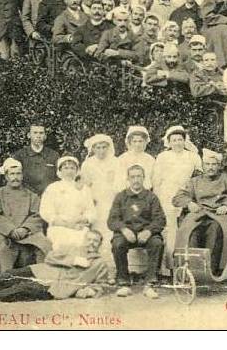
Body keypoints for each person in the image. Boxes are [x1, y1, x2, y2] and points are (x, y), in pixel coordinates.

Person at [0, 230, 108, 301]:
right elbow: (50, 258)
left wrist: (89, 290)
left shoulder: (100, 264)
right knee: (10, 274)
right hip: (43, 271)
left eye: (96, 241)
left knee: (22, 288)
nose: (91, 243)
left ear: (100, 245)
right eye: (89, 239)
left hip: (57, 288)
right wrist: (73, 260)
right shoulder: (72, 249)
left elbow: (101, 285)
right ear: (84, 240)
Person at [172, 149, 227, 276]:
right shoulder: (194, 181)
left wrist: (226, 206)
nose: (210, 168)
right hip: (198, 214)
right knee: (190, 232)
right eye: (207, 164)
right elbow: (178, 197)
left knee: (214, 230)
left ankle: (210, 270)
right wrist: (189, 203)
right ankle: (190, 269)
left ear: (219, 166)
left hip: (218, 216)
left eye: (214, 164)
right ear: (203, 166)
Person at [0, 158, 51, 277]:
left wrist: (25, 229)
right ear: (6, 177)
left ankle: (42, 277)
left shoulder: (32, 196)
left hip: (26, 233)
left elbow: (37, 215)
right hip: (3, 232)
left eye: (18, 174)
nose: (15, 177)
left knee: (44, 243)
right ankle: (0, 278)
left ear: (22, 176)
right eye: (12, 174)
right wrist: (10, 230)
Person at [109, 165, 167, 299]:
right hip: (126, 233)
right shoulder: (121, 196)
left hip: (146, 233)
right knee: (118, 244)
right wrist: (123, 229)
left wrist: (148, 231)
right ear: (128, 179)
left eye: (139, 176)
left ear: (144, 178)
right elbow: (112, 220)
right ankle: (123, 282)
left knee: (157, 243)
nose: (136, 180)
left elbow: (160, 219)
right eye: (133, 177)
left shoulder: (151, 197)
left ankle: (150, 283)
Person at [152, 126, 203, 273]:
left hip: (186, 195)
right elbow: (156, 179)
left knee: (185, 228)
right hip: (166, 195)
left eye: (180, 139)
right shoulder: (162, 157)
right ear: (169, 142)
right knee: (168, 229)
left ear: (184, 140)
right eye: (174, 140)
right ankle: (167, 269)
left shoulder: (192, 156)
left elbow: (199, 175)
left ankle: (184, 267)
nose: (177, 143)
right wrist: (157, 198)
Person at [79, 134, 122, 267]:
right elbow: (85, 185)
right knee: (96, 232)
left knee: (111, 232)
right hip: (95, 203)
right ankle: (96, 265)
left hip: (112, 201)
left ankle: (112, 266)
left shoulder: (116, 162)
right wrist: (90, 200)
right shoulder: (88, 164)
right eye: (98, 147)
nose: (101, 150)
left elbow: (120, 183)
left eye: (104, 147)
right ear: (93, 148)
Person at [40, 156, 97, 253]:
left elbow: (91, 211)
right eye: (66, 168)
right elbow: (45, 211)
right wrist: (65, 224)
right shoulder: (53, 188)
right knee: (61, 247)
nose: (69, 171)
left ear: (77, 170)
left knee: (81, 246)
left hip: (79, 226)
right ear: (60, 170)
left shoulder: (84, 189)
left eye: (72, 168)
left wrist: (83, 219)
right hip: (59, 227)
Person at [11, 124, 60, 195]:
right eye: (35, 132)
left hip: (48, 196)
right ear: (29, 135)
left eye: (41, 133)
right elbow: (14, 178)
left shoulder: (54, 155)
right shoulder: (19, 155)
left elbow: (59, 178)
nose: (38, 136)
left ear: (45, 136)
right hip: (26, 197)